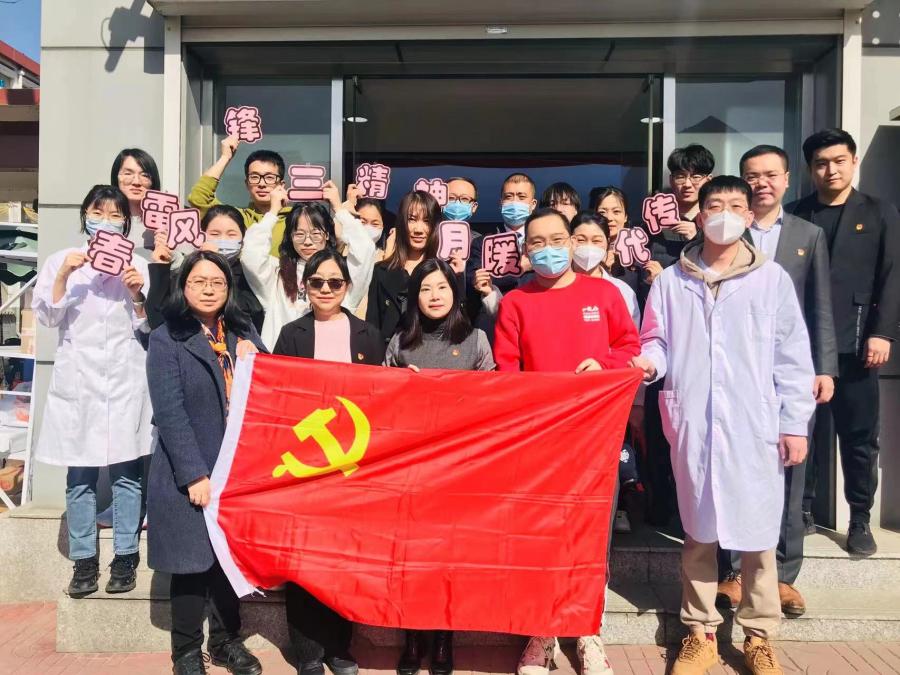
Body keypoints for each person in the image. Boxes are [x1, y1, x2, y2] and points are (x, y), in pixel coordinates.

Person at [631, 176, 816, 675]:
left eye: (737, 205)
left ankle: (759, 635)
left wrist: (794, 424)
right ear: (700, 215)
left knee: (758, 536)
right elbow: (657, 340)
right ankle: (700, 633)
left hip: (754, 424)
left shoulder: (771, 279)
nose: (726, 214)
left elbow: (792, 356)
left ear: (750, 216)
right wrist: (649, 363)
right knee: (699, 533)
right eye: (716, 205)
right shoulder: (672, 281)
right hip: (694, 421)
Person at [494, 207, 640, 675]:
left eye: (557, 239)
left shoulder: (605, 294)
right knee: (542, 539)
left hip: (596, 438)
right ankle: (542, 634)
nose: (548, 250)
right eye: (537, 242)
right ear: (525, 249)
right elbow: (506, 370)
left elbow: (629, 348)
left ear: (573, 242)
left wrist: (605, 366)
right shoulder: (515, 302)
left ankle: (588, 633)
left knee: (591, 540)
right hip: (540, 442)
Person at [716, 145, 838, 618]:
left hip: (789, 371)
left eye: (770, 174)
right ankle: (732, 571)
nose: (762, 183)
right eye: (752, 175)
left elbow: (819, 305)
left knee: (790, 467)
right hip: (736, 371)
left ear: (788, 179)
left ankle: (783, 576)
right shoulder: (727, 230)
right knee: (731, 469)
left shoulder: (809, 234)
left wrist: (823, 367)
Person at [146, 250, 264, 675]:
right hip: (189, 471)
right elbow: (170, 412)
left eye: (218, 282)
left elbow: (270, 387)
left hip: (236, 470)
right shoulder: (167, 338)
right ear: (183, 287)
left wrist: (258, 357)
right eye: (199, 281)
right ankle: (186, 651)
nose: (209, 289)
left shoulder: (242, 331)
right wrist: (194, 474)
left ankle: (227, 642)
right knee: (191, 566)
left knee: (227, 564)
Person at [32, 185, 152, 598]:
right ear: (84, 215)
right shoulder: (62, 260)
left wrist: (137, 295)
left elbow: (147, 326)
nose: (106, 221)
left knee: (127, 474)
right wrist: (64, 275)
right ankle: (84, 561)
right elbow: (48, 317)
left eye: (116, 215)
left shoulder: (137, 264)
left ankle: (125, 557)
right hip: (79, 381)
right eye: (98, 212)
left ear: (126, 223)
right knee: (79, 476)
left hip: (124, 379)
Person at [786, 128, 900, 556]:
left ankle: (860, 518)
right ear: (809, 169)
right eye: (821, 163)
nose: (830, 170)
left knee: (859, 437)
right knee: (803, 431)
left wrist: (883, 332)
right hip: (804, 348)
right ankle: (803, 511)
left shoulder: (879, 212)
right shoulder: (797, 215)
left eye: (838, 161)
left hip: (857, 345)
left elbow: (893, 275)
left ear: (853, 162)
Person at [272, 249, 384, 675]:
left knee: (346, 559)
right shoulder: (291, 335)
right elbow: (278, 397)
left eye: (334, 282)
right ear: (305, 286)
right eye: (317, 282)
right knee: (303, 561)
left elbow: (382, 397)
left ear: (347, 287)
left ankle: (340, 647)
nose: (325, 289)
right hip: (305, 466)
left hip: (353, 467)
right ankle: (307, 653)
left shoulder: (368, 335)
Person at [386, 257, 495, 675]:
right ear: (415, 297)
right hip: (411, 469)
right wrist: (400, 385)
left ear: (455, 292)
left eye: (442, 287)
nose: (434, 296)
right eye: (426, 288)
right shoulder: (400, 341)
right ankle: (413, 638)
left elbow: (494, 400)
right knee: (413, 557)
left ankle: (445, 639)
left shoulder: (475, 340)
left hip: (460, 469)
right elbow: (379, 403)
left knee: (450, 558)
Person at [570, 211, 643, 533]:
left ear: (608, 246)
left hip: (607, 397)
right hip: (563, 399)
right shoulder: (552, 284)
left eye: (596, 240)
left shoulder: (620, 291)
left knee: (605, 469)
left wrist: (636, 402)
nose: (588, 247)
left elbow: (631, 346)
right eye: (580, 239)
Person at [242, 183, 376, 349]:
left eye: (315, 233)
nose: (307, 241)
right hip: (283, 360)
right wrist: (273, 212)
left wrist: (339, 208)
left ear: (327, 235)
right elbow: (250, 254)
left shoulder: (341, 274)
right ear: (290, 237)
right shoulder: (277, 272)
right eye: (299, 234)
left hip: (329, 359)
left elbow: (365, 248)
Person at [146, 204, 265, 333]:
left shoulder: (251, 272)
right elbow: (157, 318)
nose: (223, 239)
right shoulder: (188, 272)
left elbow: (253, 314)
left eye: (231, 234)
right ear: (201, 235)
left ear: (243, 237)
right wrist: (161, 265)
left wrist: (217, 264)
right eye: (215, 234)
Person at [187, 135, 293, 256]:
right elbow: (199, 198)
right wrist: (225, 157)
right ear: (247, 184)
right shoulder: (237, 218)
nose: (262, 184)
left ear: (281, 185)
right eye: (254, 177)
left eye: (269, 177)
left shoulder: (294, 219)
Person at [366, 190, 443, 344]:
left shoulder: (442, 271)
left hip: (432, 354)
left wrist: (458, 279)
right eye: (412, 220)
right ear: (401, 223)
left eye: (426, 221)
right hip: (389, 355)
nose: (418, 229)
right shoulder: (381, 271)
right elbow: (373, 326)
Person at [465, 173, 537, 338]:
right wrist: (518, 268)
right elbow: (476, 281)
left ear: (532, 204)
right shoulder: (482, 243)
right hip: (492, 328)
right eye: (508, 197)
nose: (514, 202)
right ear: (500, 203)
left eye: (521, 197)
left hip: (535, 323)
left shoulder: (542, 242)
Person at [110, 148, 161, 258]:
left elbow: (190, 262)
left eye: (145, 175)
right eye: (128, 174)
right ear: (116, 177)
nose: (136, 182)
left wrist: (171, 254)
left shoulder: (166, 222)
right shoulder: (105, 220)